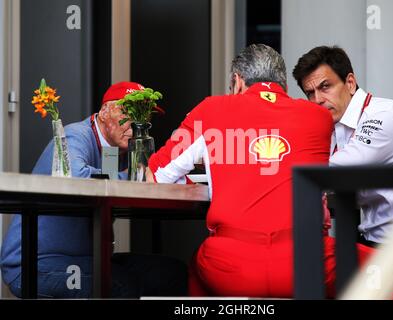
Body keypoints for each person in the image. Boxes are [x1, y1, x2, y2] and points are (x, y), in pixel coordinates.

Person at [145, 44, 373, 298]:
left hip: (231, 265)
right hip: (307, 262)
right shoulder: (319, 117)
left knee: (198, 270)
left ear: (237, 82)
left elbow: (155, 175)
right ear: (284, 86)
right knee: (382, 266)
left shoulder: (210, 109)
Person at [0, 82, 187, 298]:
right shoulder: (75, 135)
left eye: (144, 115)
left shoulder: (123, 151)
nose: (137, 123)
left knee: (172, 273)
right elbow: (75, 177)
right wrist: (134, 177)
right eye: (128, 112)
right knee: (119, 285)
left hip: (88, 259)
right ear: (105, 111)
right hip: (36, 264)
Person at [292, 46, 393, 247]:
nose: (318, 100)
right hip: (375, 239)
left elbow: (340, 170)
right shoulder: (334, 124)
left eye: (325, 87)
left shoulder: (383, 113)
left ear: (350, 83)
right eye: (310, 93)